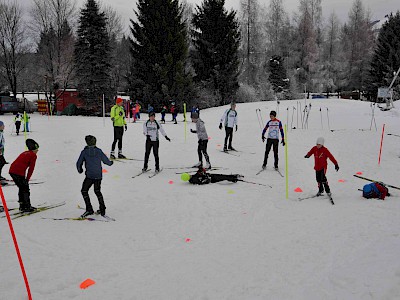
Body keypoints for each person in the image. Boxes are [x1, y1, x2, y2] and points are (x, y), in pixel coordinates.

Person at [77, 135, 113, 217]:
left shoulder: (84, 152)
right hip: (98, 175)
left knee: (84, 190)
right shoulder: (99, 151)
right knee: (97, 191)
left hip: (89, 176)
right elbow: (106, 161)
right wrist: (110, 163)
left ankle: (89, 209)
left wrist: (80, 169)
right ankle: (102, 209)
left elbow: (79, 163)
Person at [9, 139, 39, 212]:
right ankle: (27, 206)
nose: (37, 151)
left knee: (22, 188)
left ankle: (22, 205)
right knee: (25, 189)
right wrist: (27, 179)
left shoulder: (25, 153)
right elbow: (31, 169)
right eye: (37, 149)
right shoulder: (33, 155)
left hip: (12, 171)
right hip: (18, 173)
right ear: (34, 149)